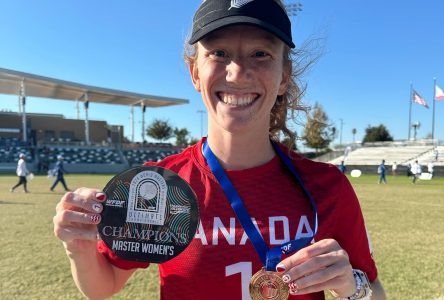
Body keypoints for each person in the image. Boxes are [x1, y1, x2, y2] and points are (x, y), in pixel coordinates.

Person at [53, 1, 386, 299]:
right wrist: (78, 246)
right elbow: (105, 284)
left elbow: (374, 292)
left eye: (261, 54)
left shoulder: (328, 186)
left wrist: (350, 286)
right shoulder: (160, 185)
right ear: (195, 72)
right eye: (218, 53)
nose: (238, 73)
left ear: (284, 75)